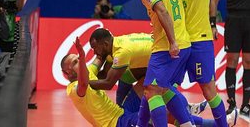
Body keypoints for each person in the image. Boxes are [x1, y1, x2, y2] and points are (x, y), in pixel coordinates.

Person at [62, 37, 238, 127]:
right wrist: (84, 57)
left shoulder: (89, 71)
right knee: (164, 114)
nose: (80, 60)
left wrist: (106, 42)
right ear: (68, 72)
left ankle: (186, 109)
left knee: (148, 81)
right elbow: (85, 84)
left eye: (78, 57)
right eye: (76, 62)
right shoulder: (74, 88)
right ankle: (215, 123)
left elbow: (99, 57)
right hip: (117, 123)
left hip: (122, 110)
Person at [144, 0, 229, 125]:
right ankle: (187, 122)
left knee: (208, 90)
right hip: (181, 43)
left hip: (199, 42)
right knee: (161, 87)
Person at [127, 0, 195, 126]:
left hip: (167, 46)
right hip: (183, 40)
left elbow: (162, 11)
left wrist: (172, 42)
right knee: (157, 88)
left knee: (152, 91)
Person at [210, 0, 250, 117]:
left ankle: (246, 104)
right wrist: (213, 24)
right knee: (231, 60)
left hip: (249, 21)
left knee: (248, 61)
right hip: (233, 21)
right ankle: (232, 102)